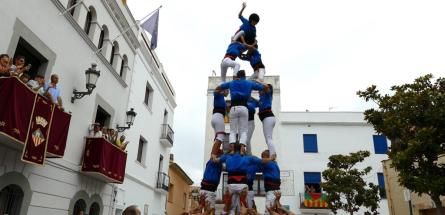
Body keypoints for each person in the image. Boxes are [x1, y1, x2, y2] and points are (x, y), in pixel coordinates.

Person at [213, 143, 275, 215]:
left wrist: (213, 155)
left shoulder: (227, 157)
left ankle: (225, 212)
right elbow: (262, 161)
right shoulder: (248, 158)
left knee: (231, 208)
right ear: (240, 150)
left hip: (231, 185)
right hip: (242, 185)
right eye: (243, 147)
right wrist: (271, 158)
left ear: (233, 149)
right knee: (244, 208)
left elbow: (215, 160)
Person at [216, 70, 268, 148]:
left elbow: (218, 88)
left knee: (233, 130)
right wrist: (263, 89)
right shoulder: (249, 83)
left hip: (233, 108)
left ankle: (232, 148)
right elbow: (265, 87)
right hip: (244, 108)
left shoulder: (232, 83)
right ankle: (242, 148)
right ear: (244, 76)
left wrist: (222, 93)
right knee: (243, 131)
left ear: (238, 76)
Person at [199, 149, 223, 213]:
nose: (222, 156)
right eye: (221, 154)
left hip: (209, 189)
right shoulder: (214, 161)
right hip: (208, 190)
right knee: (209, 210)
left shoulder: (215, 163)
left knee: (208, 210)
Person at [259, 84, 277, 157]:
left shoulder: (267, 94)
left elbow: (266, 87)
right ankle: (272, 154)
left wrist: (258, 82)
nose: (258, 91)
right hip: (267, 118)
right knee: (268, 139)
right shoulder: (262, 98)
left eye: (260, 89)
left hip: (268, 118)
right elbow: (257, 102)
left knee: (269, 139)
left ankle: (273, 155)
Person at [261, 150, 281, 215]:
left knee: (268, 210)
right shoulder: (275, 163)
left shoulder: (268, 163)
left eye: (263, 157)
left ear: (267, 157)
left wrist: (271, 158)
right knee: (273, 210)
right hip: (273, 190)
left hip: (272, 190)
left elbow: (262, 162)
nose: (262, 158)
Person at [210, 89, 228, 157]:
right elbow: (215, 91)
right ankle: (213, 155)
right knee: (221, 136)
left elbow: (227, 108)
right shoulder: (218, 94)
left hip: (216, 117)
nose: (228, 92)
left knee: (217, 137)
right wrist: (221, 89)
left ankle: (216, 153)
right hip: (218, 117)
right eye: (227, 91)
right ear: (223, 90)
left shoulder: (222, 99)